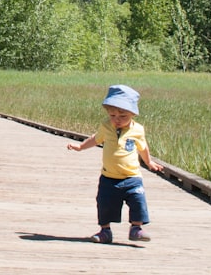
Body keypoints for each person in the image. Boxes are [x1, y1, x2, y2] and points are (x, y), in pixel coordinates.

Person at [68, 85, 163, 244]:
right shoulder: (106, 126)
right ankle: (105, 231)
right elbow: (96, 139)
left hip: (132, 176)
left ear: (133, 114)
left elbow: (143, 147)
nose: (117, 119)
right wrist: (81, 147)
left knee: (138, 201)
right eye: (112, 115)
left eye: (123, 116)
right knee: (104, 204)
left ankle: (136, 228)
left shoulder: (138, 130)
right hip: (109, 177)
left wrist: (149, 162)